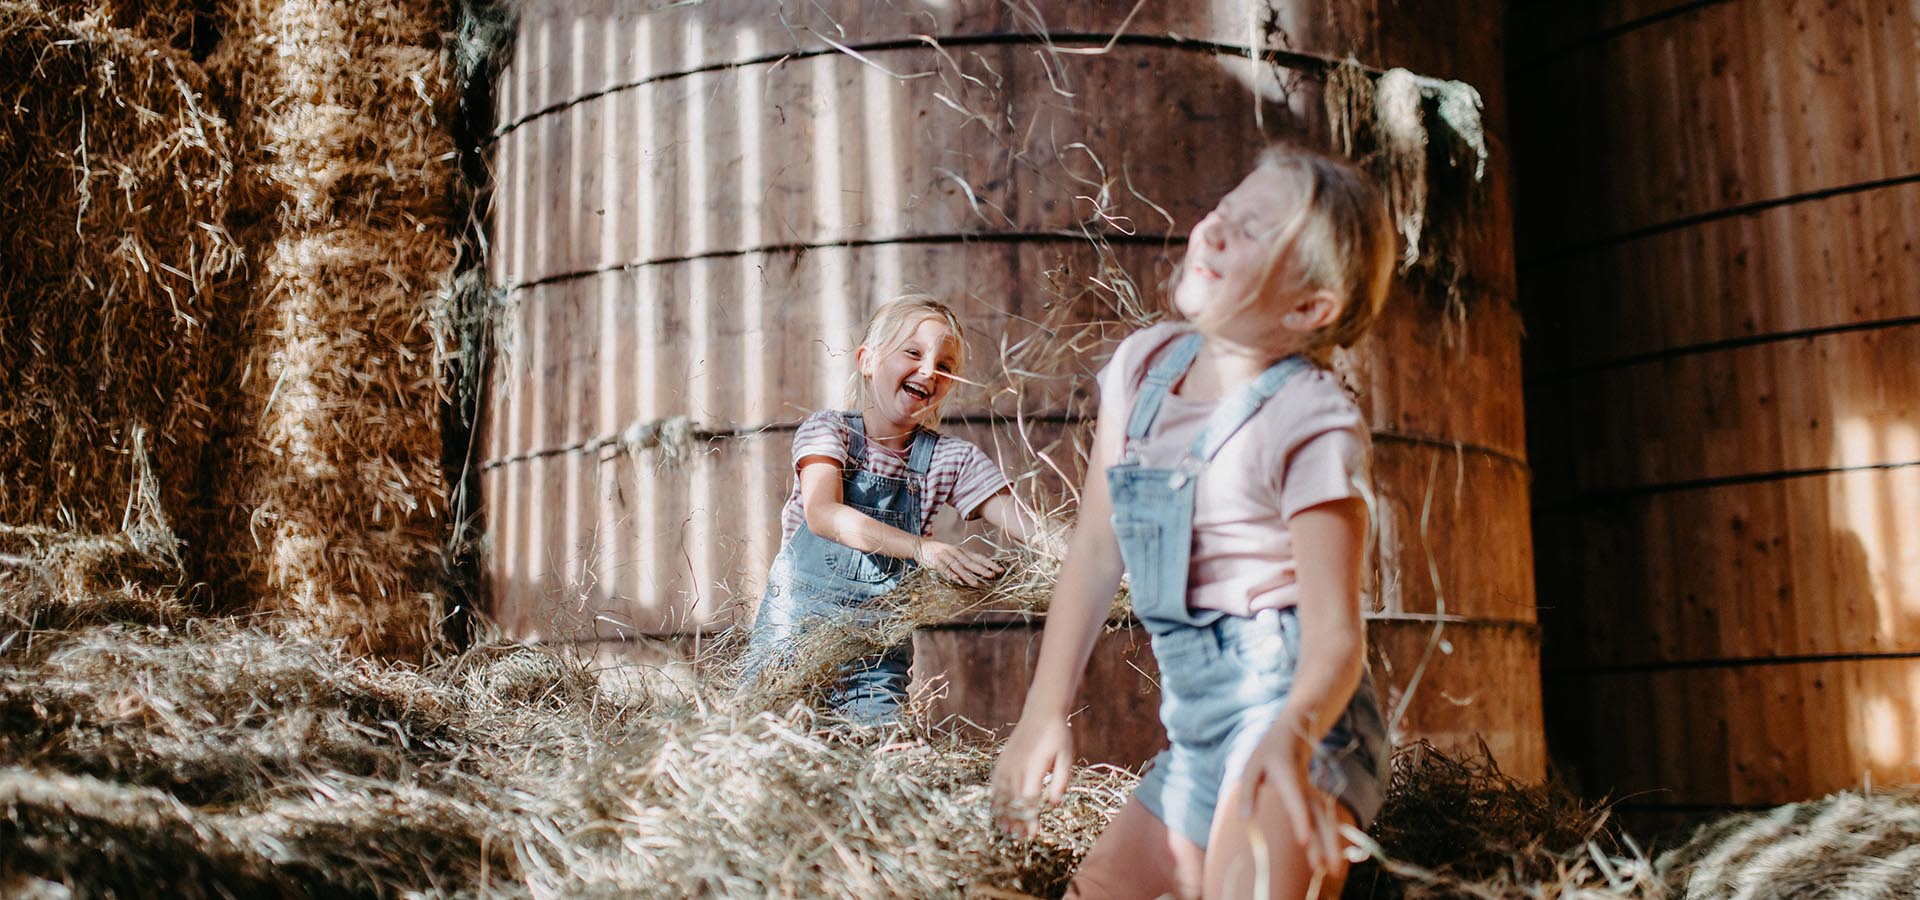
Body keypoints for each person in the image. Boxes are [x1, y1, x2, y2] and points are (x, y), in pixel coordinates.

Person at [988, 144, 1396, 899]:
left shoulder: (1310, 418)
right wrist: (1044, 712)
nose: (1213, 230)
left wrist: (1294, 736)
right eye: (1225, 210)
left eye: (1249, 232)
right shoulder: (1142, 368)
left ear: (1309, 309)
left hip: (1302, 722)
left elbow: (1338, 638)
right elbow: (1096, 546)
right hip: (1200, 735)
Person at [742, 294, 1049, 725]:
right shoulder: (830, 432)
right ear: (867, 361)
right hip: (793, 635)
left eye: (944, 366)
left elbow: (1032, 529)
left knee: (881, 748)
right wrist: (924, 549)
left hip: (877, 652)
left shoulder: (951, 459)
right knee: (767, 740)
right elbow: (823, 514)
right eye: (913, 352)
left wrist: (1093, 560)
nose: (929, 371)